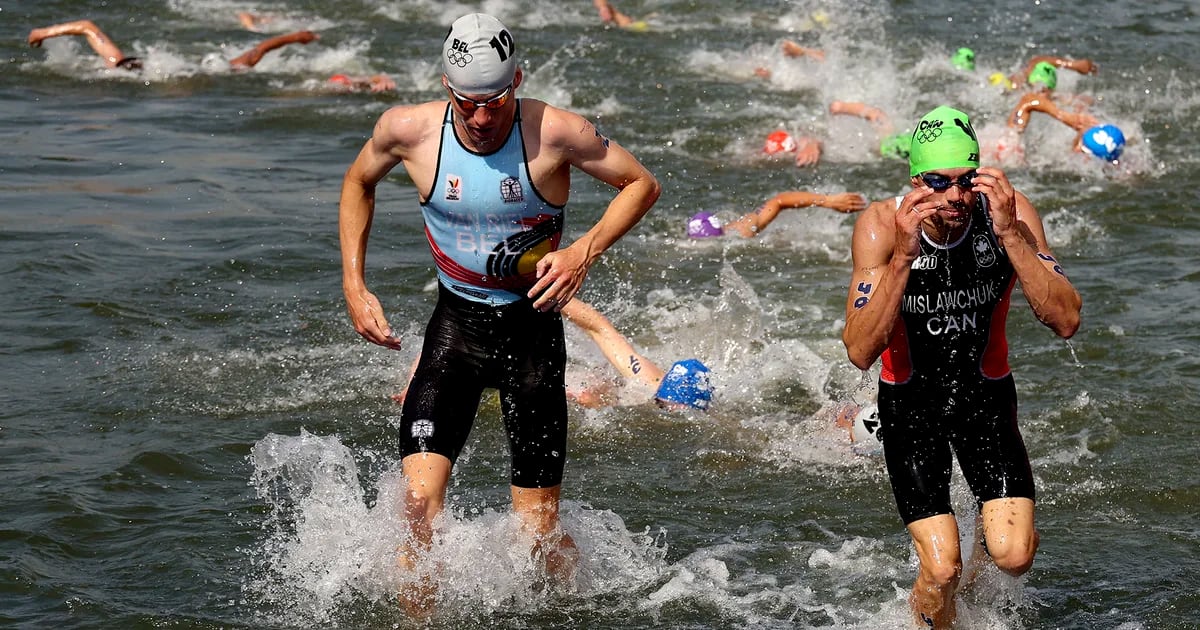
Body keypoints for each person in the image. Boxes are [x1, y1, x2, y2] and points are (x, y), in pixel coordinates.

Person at [337, 11, 660, 610]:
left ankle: (582, 606)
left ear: (517, 82)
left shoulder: (557, 132)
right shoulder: (405, 130)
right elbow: (359, 182)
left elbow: (641, 183)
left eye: (496, 101)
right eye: (468, 104)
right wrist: (355, 285)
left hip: (532, 335)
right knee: (417, 517)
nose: (482, 118)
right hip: (454, 331)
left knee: (537, 537)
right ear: (446, 88)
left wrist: (582, 250)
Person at [841, 106, 1081, 628]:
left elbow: (1065, 318)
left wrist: (1011, 237)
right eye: (938, 182)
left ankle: (978, 562)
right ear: (914, 180)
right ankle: (937, 614)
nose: (954, 196)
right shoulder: (882, 227)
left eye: (965, 180)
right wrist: (903, 259)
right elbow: (859, 349)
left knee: (1013, 555)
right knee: (941, 566)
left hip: (984, 396)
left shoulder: (1011, 215)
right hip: (910, 405)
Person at [559, 300, 712, 410]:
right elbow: (599, 327)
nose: (669, 409)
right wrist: (551, 293)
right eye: (663, 402)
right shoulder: (647, 381)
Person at [27, 19, 318, 71]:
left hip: (137, 70)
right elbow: (258, 52)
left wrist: (293, 37)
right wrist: (294, 37)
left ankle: (43, 31)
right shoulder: (221, 71)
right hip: (134, 71)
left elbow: (259, 50)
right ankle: (42, 31)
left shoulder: (220, 70)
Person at [686, 190, 867, 239]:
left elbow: (778, 202)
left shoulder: (740, 231)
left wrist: (829, 201)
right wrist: (828, 200)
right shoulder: (740, 230)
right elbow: (777, 201)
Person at [828, 100, 912, 161]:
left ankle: (871, 113)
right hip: (911, 146)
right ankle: (846, 107)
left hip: (916, 145)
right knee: (881, 144)